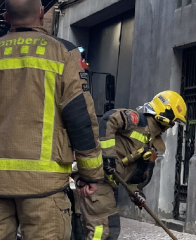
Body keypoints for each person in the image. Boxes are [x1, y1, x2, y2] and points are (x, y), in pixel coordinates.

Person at [0, 0, 104, 240]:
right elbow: (80, 117)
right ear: (42, 14)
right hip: (44, 188)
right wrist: (90, 174)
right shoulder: (63, 54)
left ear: (6, 18)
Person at [77, 91, 187, 240]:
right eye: (173, 121)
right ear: (165, 113)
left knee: (109, 228)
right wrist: (107, 156)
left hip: (108, 183)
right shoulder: (136, 120)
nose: (171, 126)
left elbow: (135, 174)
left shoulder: (151, 141)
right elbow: (109, 120)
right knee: (102, 230)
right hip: (98, 179)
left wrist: (136, 191)